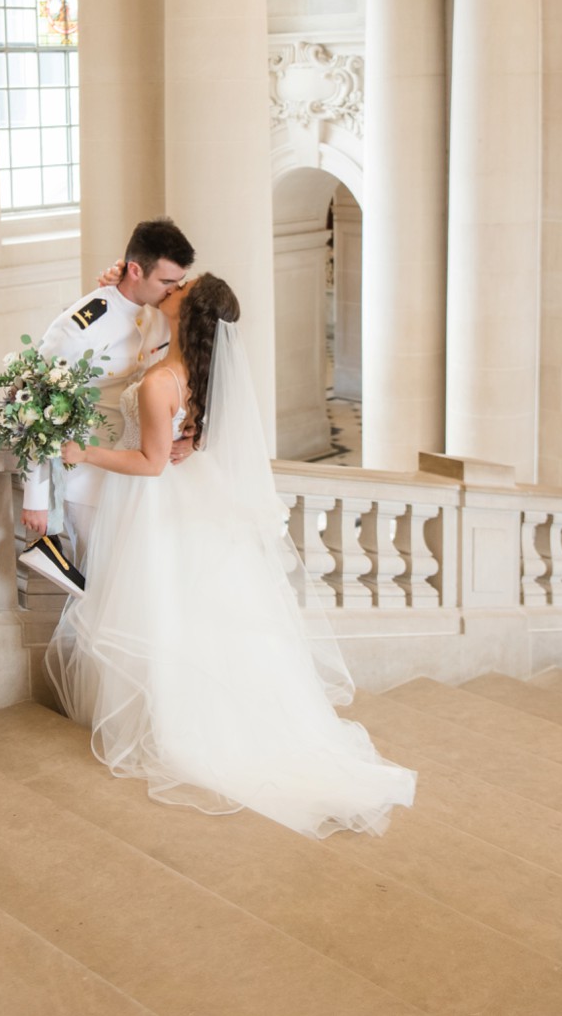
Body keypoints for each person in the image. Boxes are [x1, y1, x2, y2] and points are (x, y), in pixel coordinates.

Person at [48, 273, 417, 840]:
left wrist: (85, 450)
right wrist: (116, 281)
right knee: (195, 612)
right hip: (189, 499)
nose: (172, 285)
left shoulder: (159, 383)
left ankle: (172, 721)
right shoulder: (198, 368)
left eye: (182, 285)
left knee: (164, 608)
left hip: (154, 504)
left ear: (185, 308)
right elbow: (189, 431)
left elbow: (149, 464)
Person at [20, 216, 195, 569]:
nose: (172, 291)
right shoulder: (80, 329)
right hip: (87, 479)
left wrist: (194, 436)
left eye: (179, 282)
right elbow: (35, 405)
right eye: (165, 281)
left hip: (136, 473)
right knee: (102, 579)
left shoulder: (161, 312)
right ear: (135, 269)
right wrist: (36, 496)